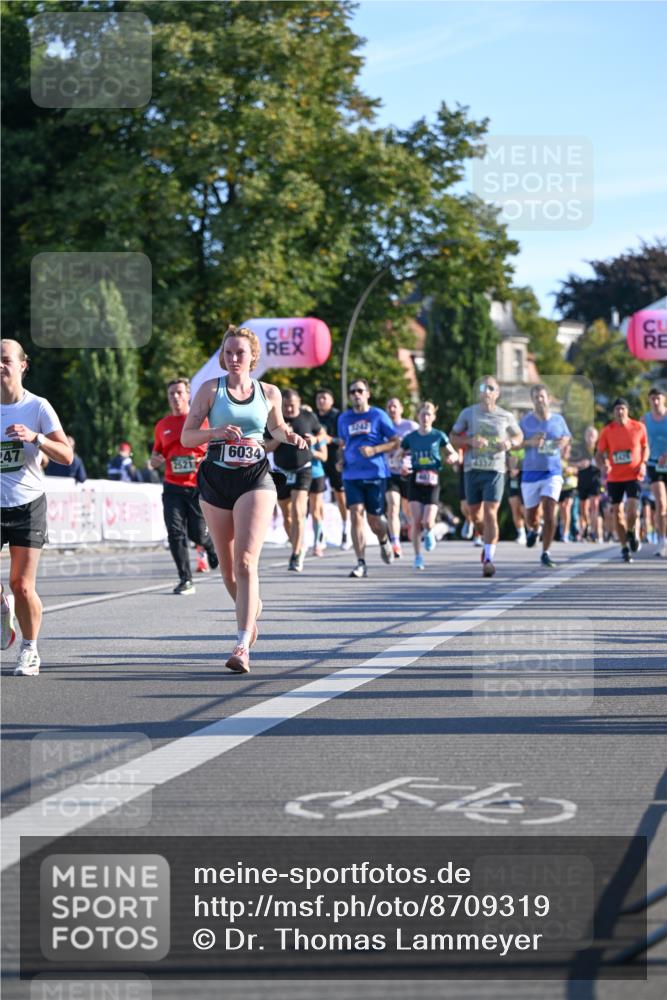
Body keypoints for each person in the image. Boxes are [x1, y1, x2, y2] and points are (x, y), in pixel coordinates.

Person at [181, 325, 307, 673]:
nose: (234, 358)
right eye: (228, 352)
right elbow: (188, 437)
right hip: (217, 477)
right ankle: (251, 613)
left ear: (253, 357)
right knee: (229, 569)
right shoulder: (210, 389)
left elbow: (276, 427)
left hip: (254, 477)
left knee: (247, 561)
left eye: (240, 352)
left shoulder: (269, 392)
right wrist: (215, 432)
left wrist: (289, 435)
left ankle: (241, 644)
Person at [1, 338, 73, 675]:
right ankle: (4, 611)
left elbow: (67, 454)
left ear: (22, 365)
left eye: (5, 360)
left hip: (27, 504)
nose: (0, 366)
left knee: (22, 585)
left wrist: (35, 438)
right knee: (8, 590)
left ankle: (29, 650)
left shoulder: (38, 407)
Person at [150, 377, 219, 595]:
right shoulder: (162, 425)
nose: (176, 397)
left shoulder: (203, 421)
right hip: (172, 486)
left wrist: (206, 460)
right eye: (172, 393)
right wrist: (154, 461)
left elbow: (215, 448)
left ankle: (209, 545)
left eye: (180, 392)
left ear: (188, 395)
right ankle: (185, 579)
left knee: (197, 534)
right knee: (175, 532)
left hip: (197, 486)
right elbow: (157, 453)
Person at [450, 375, 523, 577]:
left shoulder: (506, 416)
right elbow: (452, 437)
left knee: (491, 512)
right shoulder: (468, 413)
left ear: (497, 393)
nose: (487, 391)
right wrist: (470, 441)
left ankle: (489, 558)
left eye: (491, 388)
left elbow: (519, 436)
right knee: (475, 514)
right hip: (472, 470)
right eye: (484, 387)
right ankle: (484, 536)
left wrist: (509, 443)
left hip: (495, 470)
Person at [337, 379, 399, 578]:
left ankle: (384, 540)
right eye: (353, 391)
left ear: (367, 394)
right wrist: (340, 461)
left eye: (360, 391)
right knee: (355, 513)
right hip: (351, 474)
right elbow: (342, 443)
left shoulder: (378, 415)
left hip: (375, 473)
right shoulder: (344, 418)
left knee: (375, 520)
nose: (356, 394)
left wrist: (375, 449)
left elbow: (395, 441)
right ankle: (360, 562)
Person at [265, 389, 322, 573]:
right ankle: (297, 544)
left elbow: (321, 434)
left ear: (299, 403)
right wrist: (281, 437)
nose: (289, 409)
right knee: (286, 516)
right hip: (282, 472)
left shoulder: (308, 417)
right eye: (286, 406)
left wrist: (315, 438)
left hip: (303, 469)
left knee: (299, 511)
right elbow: (266, 448)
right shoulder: (275, 418)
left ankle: (296, 554)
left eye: (293, 405)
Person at [399, 401, 458, 570]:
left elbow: (452, 453)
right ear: (418, 416)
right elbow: (398, 455)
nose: (425, 417)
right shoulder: (410, 438)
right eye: (422, 414)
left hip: (432, 480)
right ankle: (418, 557)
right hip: (414, 480)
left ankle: (430, 531)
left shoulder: (438, 436)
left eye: (428, 414)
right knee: (416, 522)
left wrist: (452, 458)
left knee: (428, 521)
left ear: (433, 417)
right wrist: (401, 465)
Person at [519, 383, 571, 568]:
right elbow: (515, 444)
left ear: (548, 398)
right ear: (532, 401)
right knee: (531, 517)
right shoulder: (525, 422)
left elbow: (566, 437)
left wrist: (564, 441)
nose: (539, 400)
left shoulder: (558, 420)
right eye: (536, 397)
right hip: (530, 474)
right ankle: (534, 529)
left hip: (552, 472)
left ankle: (546, 552)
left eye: (542, 396)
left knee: (550, 509)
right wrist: (530, 442)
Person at [596, 397, 649, 563]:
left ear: (627, 411)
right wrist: (603, 465)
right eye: (617, 409)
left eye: (623, 409)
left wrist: (643, 463)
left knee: (632, 510)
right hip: (615, 477)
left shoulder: (639, 427)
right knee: (617, 512)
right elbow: (599, 454)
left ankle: (632, 532)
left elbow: (645, 447)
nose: (620, 412)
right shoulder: (607, 430)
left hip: (634, 474)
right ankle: (625, 547)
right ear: (613, 412)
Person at [314, 388, 350, 548]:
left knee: (340, 495)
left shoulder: (338, 417)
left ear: (331, 401)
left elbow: (343, 440)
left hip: (335, 459)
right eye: (318, 398)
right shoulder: (313, 417)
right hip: (319, 459)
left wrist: (329, 439)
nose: (320, 401)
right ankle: (320, 534)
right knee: (317, 496)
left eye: (324, 398)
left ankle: (346, 528)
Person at [385, 397, 418, 558]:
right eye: (389, 407)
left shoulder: (410, 426)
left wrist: (409, 461)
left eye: (395, 406)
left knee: (409, 510)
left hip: (408, 473)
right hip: (390, 473)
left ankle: (415, 530)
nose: (392, 409)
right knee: (392, 506)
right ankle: (396, 543)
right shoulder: (382, 427)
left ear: (401, 409)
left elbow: (421, 444)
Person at [644, 386, 667, 557]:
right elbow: (639, 441)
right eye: (653, 398)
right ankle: (662, 540)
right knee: (661, 504)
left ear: (664, 399)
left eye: (658, 398)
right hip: (654, 464)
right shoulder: (644, 419)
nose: (656, 401)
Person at [576, 426, 603, 542]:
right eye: (588, 435)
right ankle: (586, 526)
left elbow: (604, 464)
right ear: (585, 437)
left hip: (595, 480)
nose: (590, 437)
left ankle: (593, 530)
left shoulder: (600, 449)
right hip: (582, 480)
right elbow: (571, 462)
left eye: (593, 435)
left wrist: (597, 463)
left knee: (595, 505)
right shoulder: (580, 449)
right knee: (583, 508)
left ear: (596, 437)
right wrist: (580, 464)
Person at [308, 436, 328, 556]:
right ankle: (299, 543)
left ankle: (317, 543)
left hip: (316, 474)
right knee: (298, 512)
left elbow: (324, 456)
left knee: (315, 510)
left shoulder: (318, 435)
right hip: (298, 474)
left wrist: (311, 452)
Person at [507, 447, 526, 544]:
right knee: (515, 507)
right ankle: (521, 533)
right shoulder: (509, 442)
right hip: (513, 478)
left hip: (526, 475)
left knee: (525, 508)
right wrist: (511, 468)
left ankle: (533, 529)